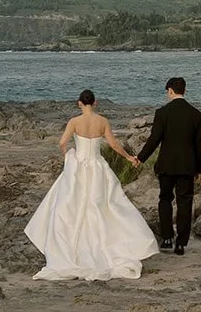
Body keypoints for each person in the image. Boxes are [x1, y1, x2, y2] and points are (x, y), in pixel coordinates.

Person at [24, 89, 159, 280]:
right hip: (97, 167)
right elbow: (113, 145)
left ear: (80, 103)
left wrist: (68, 155)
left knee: (70, 206)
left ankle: (71, 250)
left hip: (78, 167)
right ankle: (109, 247)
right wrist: (130, 157)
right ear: (95, 103)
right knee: (105, 206)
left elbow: (62, 143)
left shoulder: (74, 122)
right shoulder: (102, 121)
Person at [136, 76, 201, 255]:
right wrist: (198, 168)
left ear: (170, 91)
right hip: (187, 166)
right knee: (185, 202)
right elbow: (200, 145)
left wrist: (140, 158)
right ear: (184, 90)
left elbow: (154, 140)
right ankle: (181, 243)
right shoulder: (195, 114)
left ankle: (167, 238)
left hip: (166, 164)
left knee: (165, 199)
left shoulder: (162, 113)